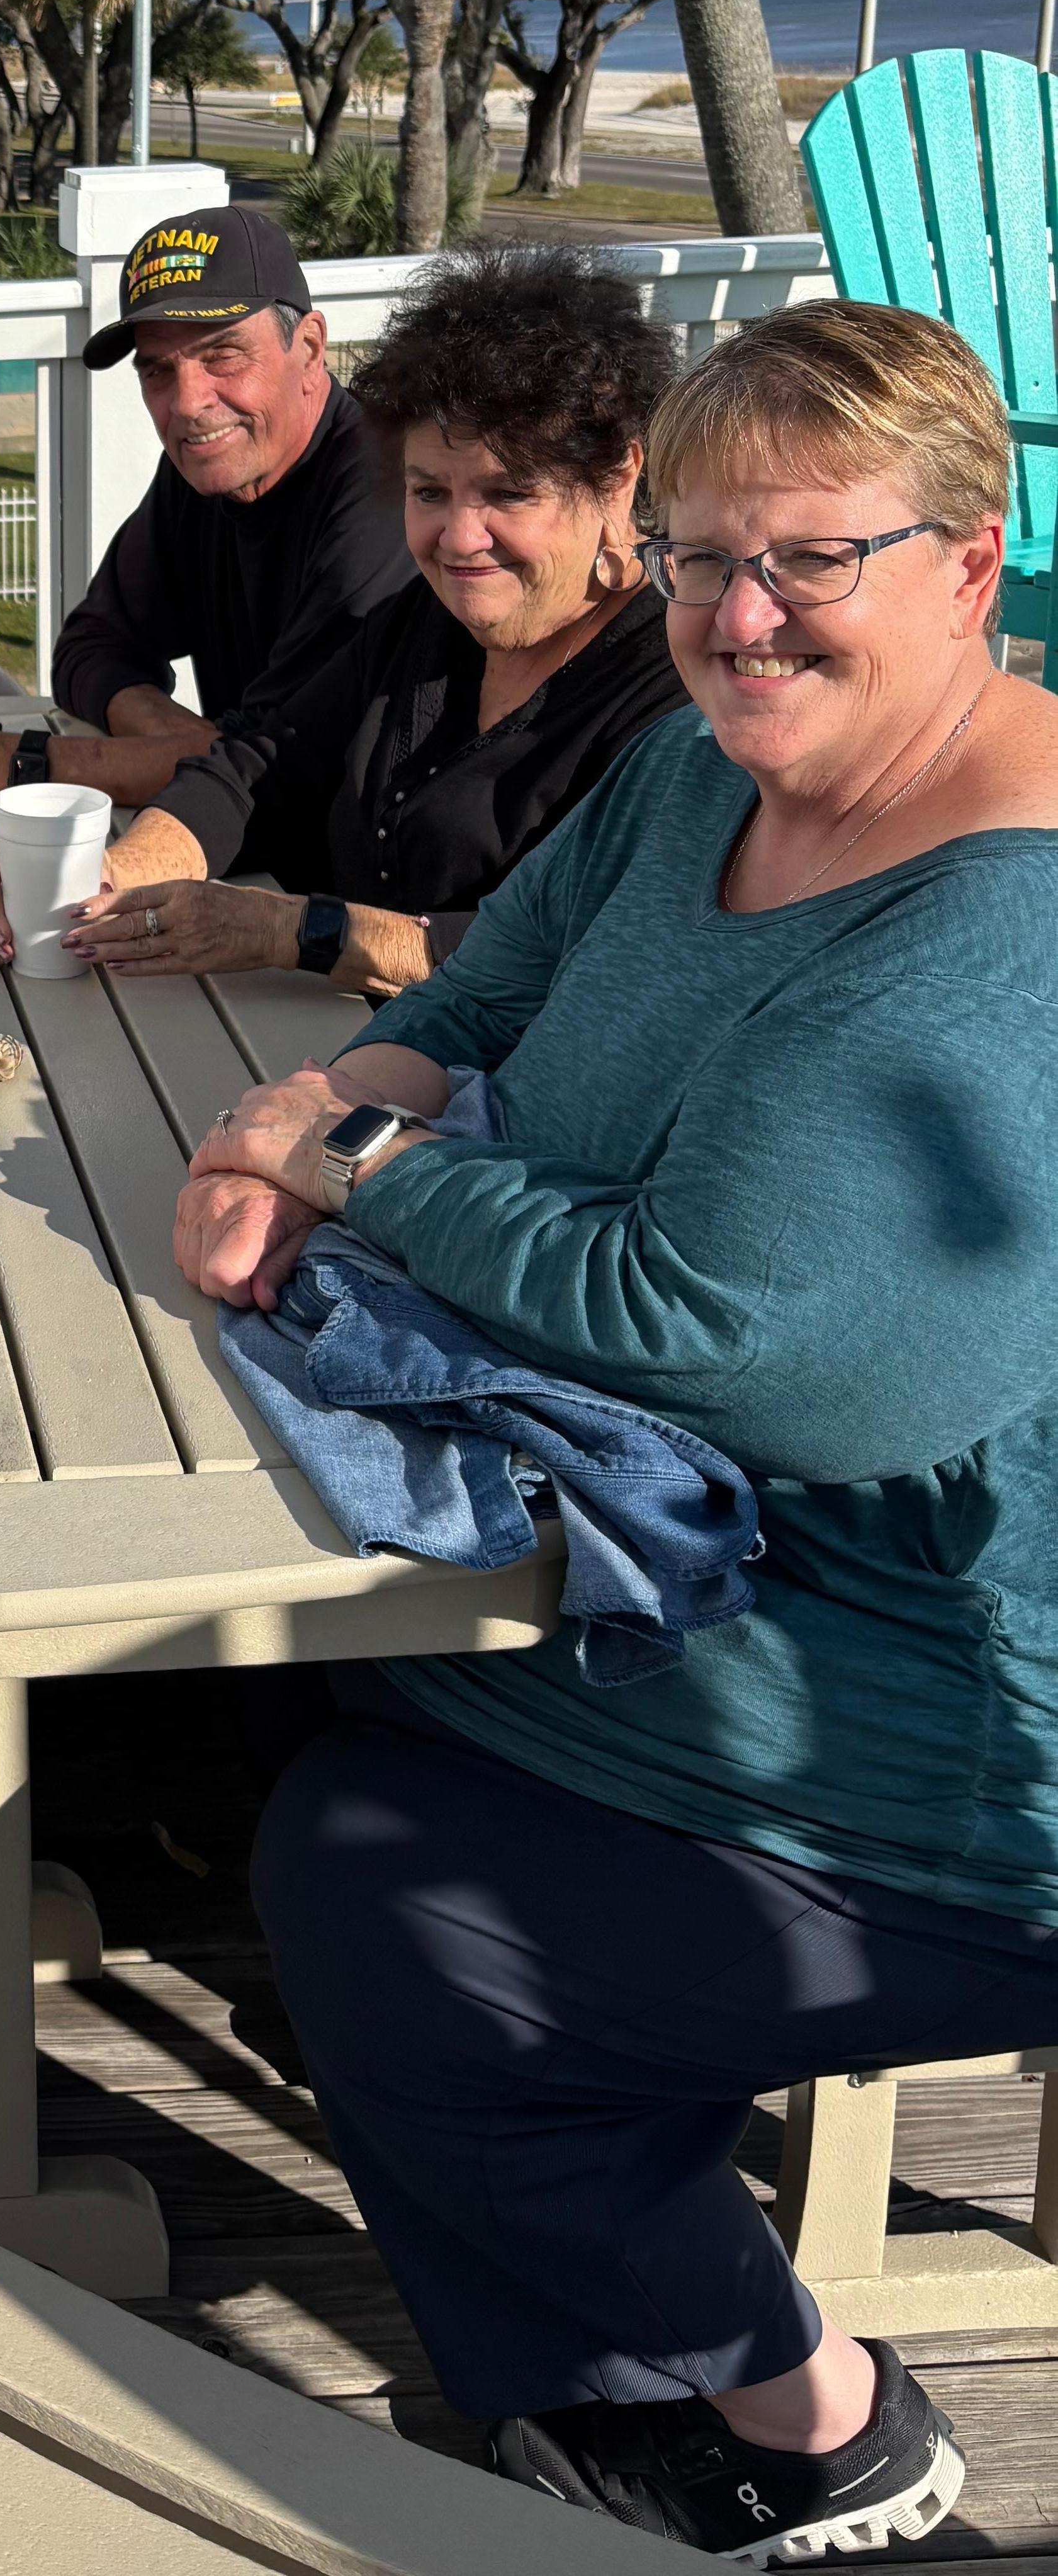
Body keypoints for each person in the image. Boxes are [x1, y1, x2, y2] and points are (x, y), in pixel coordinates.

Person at [174, 298, 1058, 2557]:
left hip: (936, 1743)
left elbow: (734, 1337)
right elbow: (482, 994)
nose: (732, 613)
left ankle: (810, 2408)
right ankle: (619, 2401)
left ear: (970, 559)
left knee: (368, 1887)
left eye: (806, 560)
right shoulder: (703, 759)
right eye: (688, 554)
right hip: (686, 1569)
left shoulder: (994, 936)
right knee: (233, 1746)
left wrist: (364, 1175)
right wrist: (301, 1103)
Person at [53, 250, 687, 994]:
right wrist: (118, 873)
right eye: (429, 492)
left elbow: (572, 944)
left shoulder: (677, 685)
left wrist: (286, 930)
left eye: (508, 494)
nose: (459, 537)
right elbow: (258, 765)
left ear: (617, 482)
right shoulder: (422, 622)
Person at [0, 203, 408, 792]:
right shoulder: (209, 473)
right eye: (158, 370)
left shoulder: (391, 493)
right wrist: (183, 740)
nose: (187, 403)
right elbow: (88, 647)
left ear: (309, 349)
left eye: (222, 354)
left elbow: (273, 771)